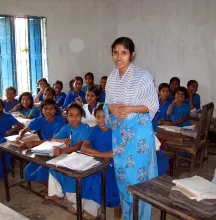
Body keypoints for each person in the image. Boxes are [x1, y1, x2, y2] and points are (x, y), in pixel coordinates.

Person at [104, 37, 159, 219]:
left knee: (138, 181)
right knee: (123, 179)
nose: (119, 57)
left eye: (124, 53)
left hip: (138, 137)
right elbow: (107, 104)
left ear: (132, 55)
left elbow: (152, 105)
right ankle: (128, 216)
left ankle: (141, 217)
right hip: (119, 136)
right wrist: (112, 108)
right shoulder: (112, 77)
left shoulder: (143, 76)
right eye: (115, 53)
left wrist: (130, 109)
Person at [47, 104, 119, 218]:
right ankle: (78, 205)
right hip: (94, 161)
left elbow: (114, 153)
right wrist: (100, 155)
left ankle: (90, 210)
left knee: (95, 179)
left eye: (104, 117)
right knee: (78, 175)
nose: (101, 120)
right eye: (98, 117)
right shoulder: (95, 130)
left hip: (110, 165)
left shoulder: (116, 131)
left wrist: (94, 153)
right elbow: (84, 148)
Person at [18, 99, 65, 183]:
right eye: (45, 108)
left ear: (55, 110)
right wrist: (19, 136)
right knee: (28, 170)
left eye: (51, 108)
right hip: (43, 148)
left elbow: (53, 140)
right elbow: (24, 130)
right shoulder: (40, 120)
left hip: (56, 149)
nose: (48, 111)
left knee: (40, 172)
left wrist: (34, 143)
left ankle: (49, 188)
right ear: (42, 110)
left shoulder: (59, 121)